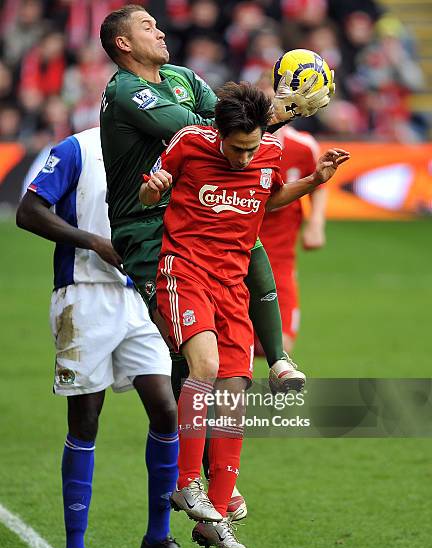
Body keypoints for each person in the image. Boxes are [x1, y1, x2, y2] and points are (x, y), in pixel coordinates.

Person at [139, 82, 350, 548]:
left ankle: (215, 514)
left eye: (252, 148)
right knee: (206, 368)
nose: (244, 158)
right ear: (218, 134)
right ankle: (187, 482)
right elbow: (148, 195)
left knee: (235, 392)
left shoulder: (269, 153)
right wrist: (154, 189)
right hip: (185, 271)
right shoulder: (188, 143)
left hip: (234, 285)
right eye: (236, 149)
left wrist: (315, 179)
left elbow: (268, 200)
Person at [98, 4, 332, 402]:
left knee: (249, 244)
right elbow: (205, 131)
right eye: (148, 28)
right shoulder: (125, 91)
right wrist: (278, 110)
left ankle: (277, 359)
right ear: (124, 43)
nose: (161, 33)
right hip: (146, 222)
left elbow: (230, 127)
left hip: (191, 207)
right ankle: (192, 449)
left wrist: (279, 111)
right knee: (182, 346)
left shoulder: (181, 77)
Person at [16, 127, 201, 548]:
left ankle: (158, 537)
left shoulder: (163, 150)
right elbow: (28, 211)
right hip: (84, 295)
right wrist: (93, 241)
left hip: (140, 295)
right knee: (86, 419)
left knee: (164, 408)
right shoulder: (78, 148)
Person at [258, 125, 327, 354]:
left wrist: (316, 223)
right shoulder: (237, 145)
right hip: (235, 257)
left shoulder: (303, 146)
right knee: (235, 350)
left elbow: (319, 183)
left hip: (280, 259)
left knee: (282, 347)